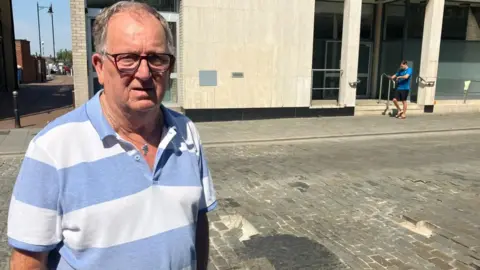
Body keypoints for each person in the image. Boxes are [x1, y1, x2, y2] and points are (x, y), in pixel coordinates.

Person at [7, 2, 217, 269]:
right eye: (128, 58)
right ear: (99, 67)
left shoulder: (187, 132)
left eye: (157, 59)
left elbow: (198, 221)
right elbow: (27, 261)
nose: (144, 73)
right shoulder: (53, 148)